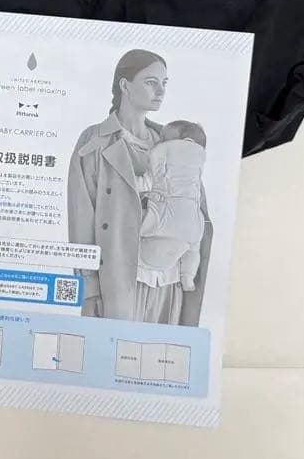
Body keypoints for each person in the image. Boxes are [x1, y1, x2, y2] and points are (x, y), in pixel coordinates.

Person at [67, 50, 211, 326]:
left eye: (164, 83)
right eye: (150, 82)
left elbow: (192, 202)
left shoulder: (174, 140)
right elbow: (81, 214)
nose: (160, 91)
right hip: (120, 281)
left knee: (163, 352)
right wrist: (90, 286)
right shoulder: (95, 139)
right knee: (112, 349)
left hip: (171, 284)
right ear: (125, 85)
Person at [138, 121, 208, 293]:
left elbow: (145, 182)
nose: (159, 141)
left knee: (130, 220)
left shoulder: (166, 161)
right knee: (193, 250)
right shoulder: (195, 169)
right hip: (192, 224)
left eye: (163, 139)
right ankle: (187, 276)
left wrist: (126, 182)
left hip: (159, 222)